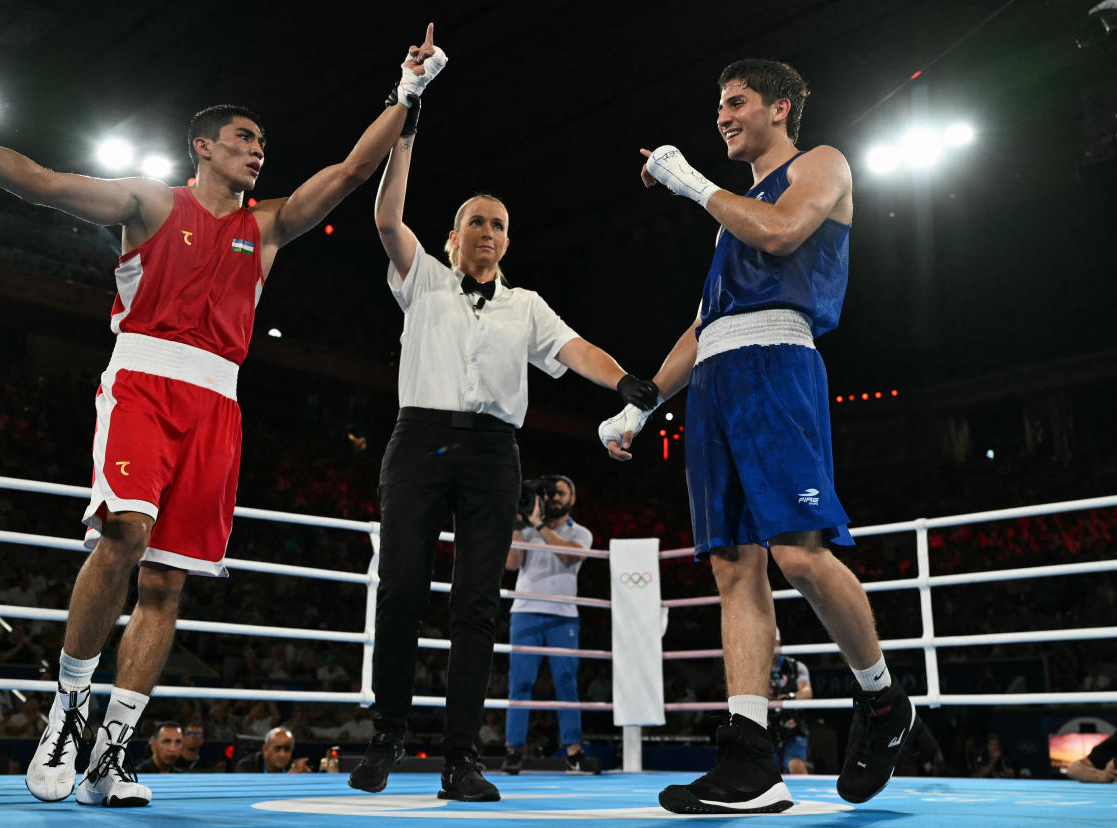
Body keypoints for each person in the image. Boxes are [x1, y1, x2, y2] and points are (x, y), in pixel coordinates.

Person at [0, 23, 447, 809]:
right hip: (143, 386)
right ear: (201, 146)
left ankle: (111, 755)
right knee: (123, 532)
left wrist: (409, 90)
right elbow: (46, 182)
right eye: (242, 138)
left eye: (262, 141)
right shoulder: (148, 201)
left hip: (217, 405)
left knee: (167, 582)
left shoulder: (265, 228)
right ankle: (67, 715)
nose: (257, 150)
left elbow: (357, 168)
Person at [599, 58, 914, 814]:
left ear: (780, 107)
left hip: (778, 365)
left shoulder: (821, 164)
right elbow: (709, 322)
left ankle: (883, 699)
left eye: (734, 101)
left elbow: (781, 236)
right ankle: (749, 761)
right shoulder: (730, 212)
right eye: (717, 104)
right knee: (733, 567)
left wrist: (691, 186)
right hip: (716, 380)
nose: (721, 115)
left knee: (799, 555)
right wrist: (644, 402)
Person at [348, 81, 661, 803]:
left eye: (497, 224)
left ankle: (462, 758)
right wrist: (407, 125)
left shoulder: (525, 305)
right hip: (419, 436)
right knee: (399, 590)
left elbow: (576, 347)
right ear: (454, 237)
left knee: (477, 605)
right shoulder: (421, 278)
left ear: (507, 241)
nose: (486, 232)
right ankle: (389, 734)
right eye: (475, 222)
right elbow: (386, 214)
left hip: (493, 451)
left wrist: (625, 384)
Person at [501, 475, 591, 774]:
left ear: (572, 498)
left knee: (566, 682)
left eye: (560, 493)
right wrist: (517, 522)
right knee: (520, 683)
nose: (554, 497)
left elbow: (569, 556)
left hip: (563, 615)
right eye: (549, 493)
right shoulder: (527, 529)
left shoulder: (581, 533)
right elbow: (511, 564)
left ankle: (574, 752)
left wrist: (539, 526)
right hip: (525, 611)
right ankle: (514, 750)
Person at [767, 628, 812, 775]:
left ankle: (807, 796)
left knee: (795, 765)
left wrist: (790, 697)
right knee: (765, 772)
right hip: (764, 728)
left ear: (778, 641)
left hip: (793, 726)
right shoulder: (753, 668)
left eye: (772, 641)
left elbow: (807, 692)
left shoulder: (795, 667)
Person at [235, 726, 311, 773]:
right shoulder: (246, 767)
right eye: (277, 748)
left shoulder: (295, 768)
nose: (282, 754)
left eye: (287, 749)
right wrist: (288, 779)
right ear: (265, 749)